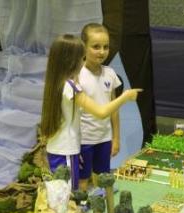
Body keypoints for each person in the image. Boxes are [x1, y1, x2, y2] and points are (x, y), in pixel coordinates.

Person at [40, 34, 141, 191]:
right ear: (71, 61)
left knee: (63, 194)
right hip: (66, 151)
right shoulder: (71, 87)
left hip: (60, 148)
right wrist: (125, 97)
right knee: (66, 195)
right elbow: (101, 112)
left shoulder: (57, 83)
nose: (83, 62)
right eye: (81, 58)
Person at [77, 23, 124, 191]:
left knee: (103, 180)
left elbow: (114, 109)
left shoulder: (110, 74)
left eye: (106, 47)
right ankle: (80, 212)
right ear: (84, 47)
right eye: (96, 47)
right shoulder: (77, 76)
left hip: (104, 139)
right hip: (83, 141)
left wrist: (116, 138)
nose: (102, 51)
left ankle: (102, 211)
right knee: (82, 181)